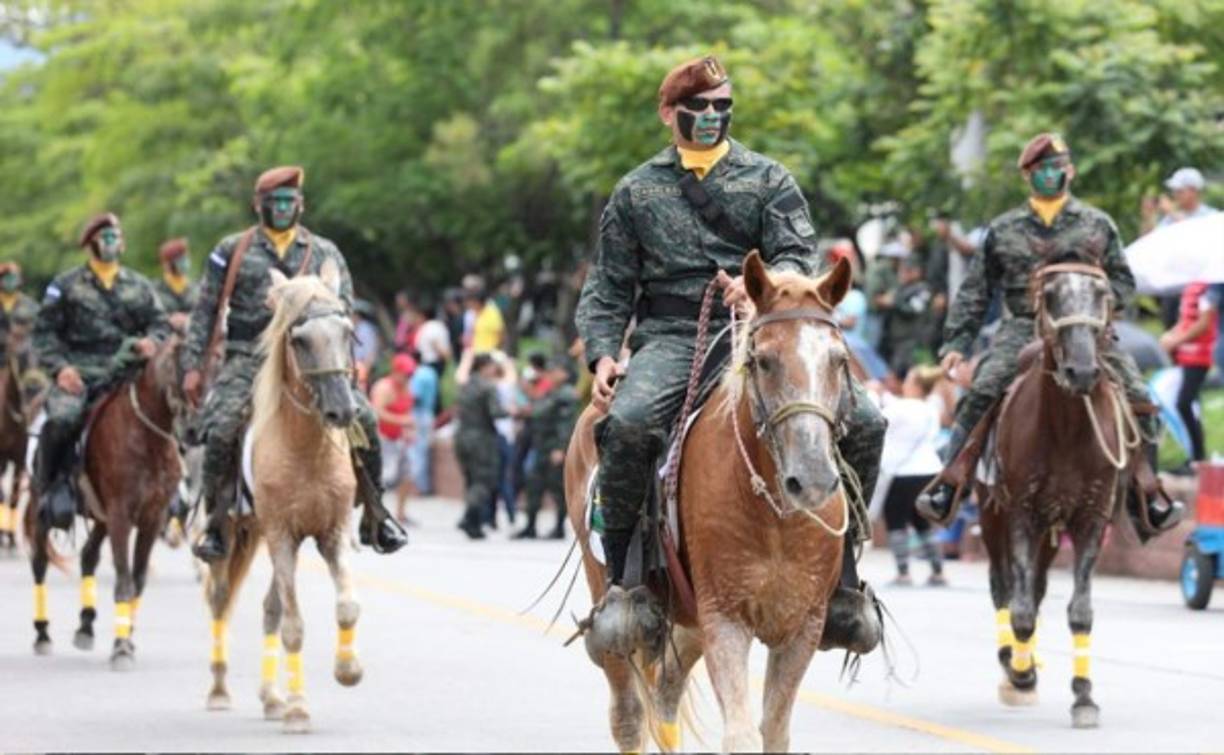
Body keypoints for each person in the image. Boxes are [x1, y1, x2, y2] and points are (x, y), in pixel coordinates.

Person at [574, 55, 886, 653]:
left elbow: (798, 250)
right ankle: (627, 583)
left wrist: (766, 282)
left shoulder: (769, 179)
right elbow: (609, 285)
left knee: (866, 422)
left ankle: (843, 580)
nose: (713, 117)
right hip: (670, 336)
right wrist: (604, 354)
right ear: (670, 113)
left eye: (723, 107)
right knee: (632, 425)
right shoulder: (636, 190)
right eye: (700, 108)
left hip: (760, 327)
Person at [917, 133, 1183, 537]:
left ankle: (1145, 495)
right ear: (1028, 175)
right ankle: (952, 483)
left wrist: (1100, 305)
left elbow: (1125, 282)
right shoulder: (1003, 230)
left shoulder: (1098, 224)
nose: (1052, 175)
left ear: (1071, 170)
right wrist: (956, 343)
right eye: (1042, 169)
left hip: (1086, 330)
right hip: (1023, 328)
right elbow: (976, 291)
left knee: (1141, 398)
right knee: (983, 389)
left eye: (1058, 167)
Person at [184, 165, 407, 561]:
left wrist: (342, 363)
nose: (284, 208)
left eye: (290, 201)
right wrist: (192, 366)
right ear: (259, 205)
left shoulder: (324, 252)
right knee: (222, 427)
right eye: (276, 202)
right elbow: (204, 312)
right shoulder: (231, 249)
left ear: (301, 205)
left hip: (313, 360)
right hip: (248, 358)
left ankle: (376, 514)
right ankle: (216, 523)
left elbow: (344, 312)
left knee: (364, 420)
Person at [32, 213, 169, 528]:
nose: (112, 244)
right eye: (105, 238)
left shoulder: (139, 285)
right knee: (61, 419)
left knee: (170, 410)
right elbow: (43, 335)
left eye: (115, 238)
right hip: (79, 375)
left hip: (127, 373)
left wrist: (152, 341)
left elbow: (160, 323)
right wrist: (60, 369)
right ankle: (53, 488)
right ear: (91, 243)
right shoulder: (65, 285)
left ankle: (172, 488)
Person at [872, 367, 946, 586]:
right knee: (922, 521)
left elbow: (878, 419)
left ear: (915, 385)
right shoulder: (931, 409)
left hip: (901, 472)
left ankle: (903, 572)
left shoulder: (900, 407)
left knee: (896, 521)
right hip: (929, 470)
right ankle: (937, 570)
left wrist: (875, 394)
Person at [514, 357, 578, 540]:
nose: (550, 374)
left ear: (564, 374)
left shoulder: (566, 394)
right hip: (541, 446)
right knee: (534, 485)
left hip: (553, 448)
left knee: (557, 488)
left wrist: (560, 448)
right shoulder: (553, 392)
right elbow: (538, 410)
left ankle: (559, 527)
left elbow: (565, 424)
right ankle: (530, 526)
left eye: (554, 370)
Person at [1159, 281, 1217, 470]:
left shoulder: (1208, 287)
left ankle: (1198, 458)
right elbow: (1186, 322)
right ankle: (1196, 457)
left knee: (1183, 403)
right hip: (1186, 355)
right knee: (1191, 404)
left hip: (1200, 356)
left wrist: (1176, 340)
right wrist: (1171, 335)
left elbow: (1204, 322)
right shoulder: (1190, 287)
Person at [453, 351, 506, 540]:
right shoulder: (488, 387)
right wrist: (514, 411)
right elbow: (497, 412)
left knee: (471, 480)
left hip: (461, 436)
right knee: (484, 480)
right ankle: (468, 518)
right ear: (484, 367)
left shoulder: (465, 384)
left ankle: (474, 525)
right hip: (482, 438)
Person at [371, 354, 417, 525]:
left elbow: (407, 412)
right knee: (383, 479)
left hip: (399, 439)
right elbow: (377, 412)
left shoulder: (407, 388)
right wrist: (401, 421)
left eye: (410, 374)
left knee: (408, 475)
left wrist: (409, 429)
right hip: (383, 438)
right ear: (396, 372)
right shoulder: (384, 388)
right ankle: (376, 513)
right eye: (406, 374)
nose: (408, 377)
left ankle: (401, 513)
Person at [885, 256, 934, 377]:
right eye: (901, 271)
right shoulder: (901, 289)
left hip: (911, 341)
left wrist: (895, 301)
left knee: (908, 375)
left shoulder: (923, 289)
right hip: (896, 340)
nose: (902, 274)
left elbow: (913, 309)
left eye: (907, 271)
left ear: (916, 272)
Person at [408, 343, 439, 495]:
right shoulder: (431, 372)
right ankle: (424, 486)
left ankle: (417, 487)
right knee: (424, 450)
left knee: (416, 451)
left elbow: (415, 397)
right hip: (429, 413)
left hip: (418, 415)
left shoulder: (417, 374)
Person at [0, 262, 40, 372]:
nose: (11, 281)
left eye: (14, 278)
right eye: (6, 278)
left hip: (24, 361)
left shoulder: (31, 306)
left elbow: (40, 332)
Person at [152, 238, 198, 332]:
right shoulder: (154, 290)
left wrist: (189, 319)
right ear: (167, 264)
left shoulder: (197, 288)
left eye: (185, 257)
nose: (184, 261)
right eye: (179, 259)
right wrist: (169, 320)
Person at [466, 287, 506, 353]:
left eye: (472, 302)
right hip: (476, 350)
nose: (470, 305)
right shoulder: (474, 314)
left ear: (478, 302)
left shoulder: (492, 312)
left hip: (490, 350)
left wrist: (496, 349)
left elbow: (501, 334)